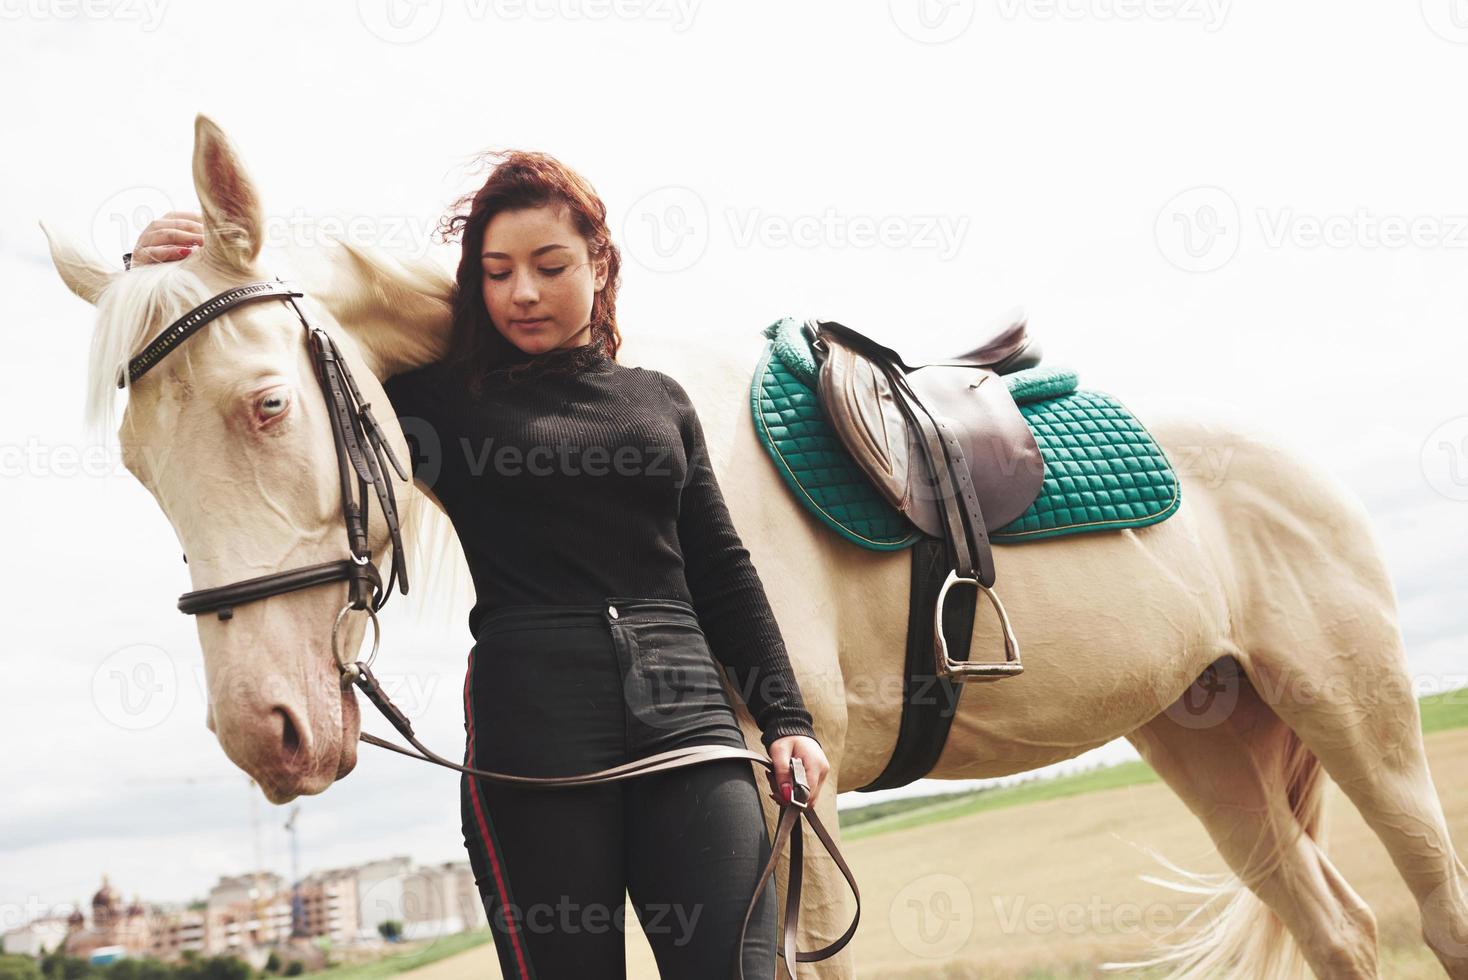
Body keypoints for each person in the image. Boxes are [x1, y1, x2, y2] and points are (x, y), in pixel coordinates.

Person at [129, 150, 829, 978]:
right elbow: (258, 346)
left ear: (599, 266)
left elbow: (721, 569)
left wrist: (787, 720)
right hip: (534, 747)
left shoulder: (661, 400)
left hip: (692, 734)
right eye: (496, 273)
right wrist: (151, 281)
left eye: (548, 265)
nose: (522, 292)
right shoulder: (433, 402)